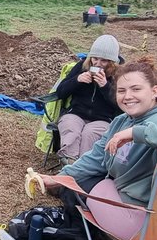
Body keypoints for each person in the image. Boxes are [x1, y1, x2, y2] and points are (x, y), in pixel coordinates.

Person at [37, 56, 157, 240]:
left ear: (154, 91)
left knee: (76, 189)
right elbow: (96, 157)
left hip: (145, 220)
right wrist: (60, 177)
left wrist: (137, 133)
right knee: (75, 182)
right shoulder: (122, 121)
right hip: (128, 202)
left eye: (136, 89)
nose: (127, 96)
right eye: (121, 90)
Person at [49, 34, 124, 162]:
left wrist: (105, 86)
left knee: (89, 134)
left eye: (104, 61)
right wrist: (77, 80)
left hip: (103, 119)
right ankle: (69, 162)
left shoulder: (118, 75)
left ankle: (81, 166)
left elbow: (121, 105)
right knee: (70, 127)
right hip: (76, 113)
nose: (98, 63)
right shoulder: (81, 67)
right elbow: (60, 93)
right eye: (95, 58)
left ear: (112, 62)